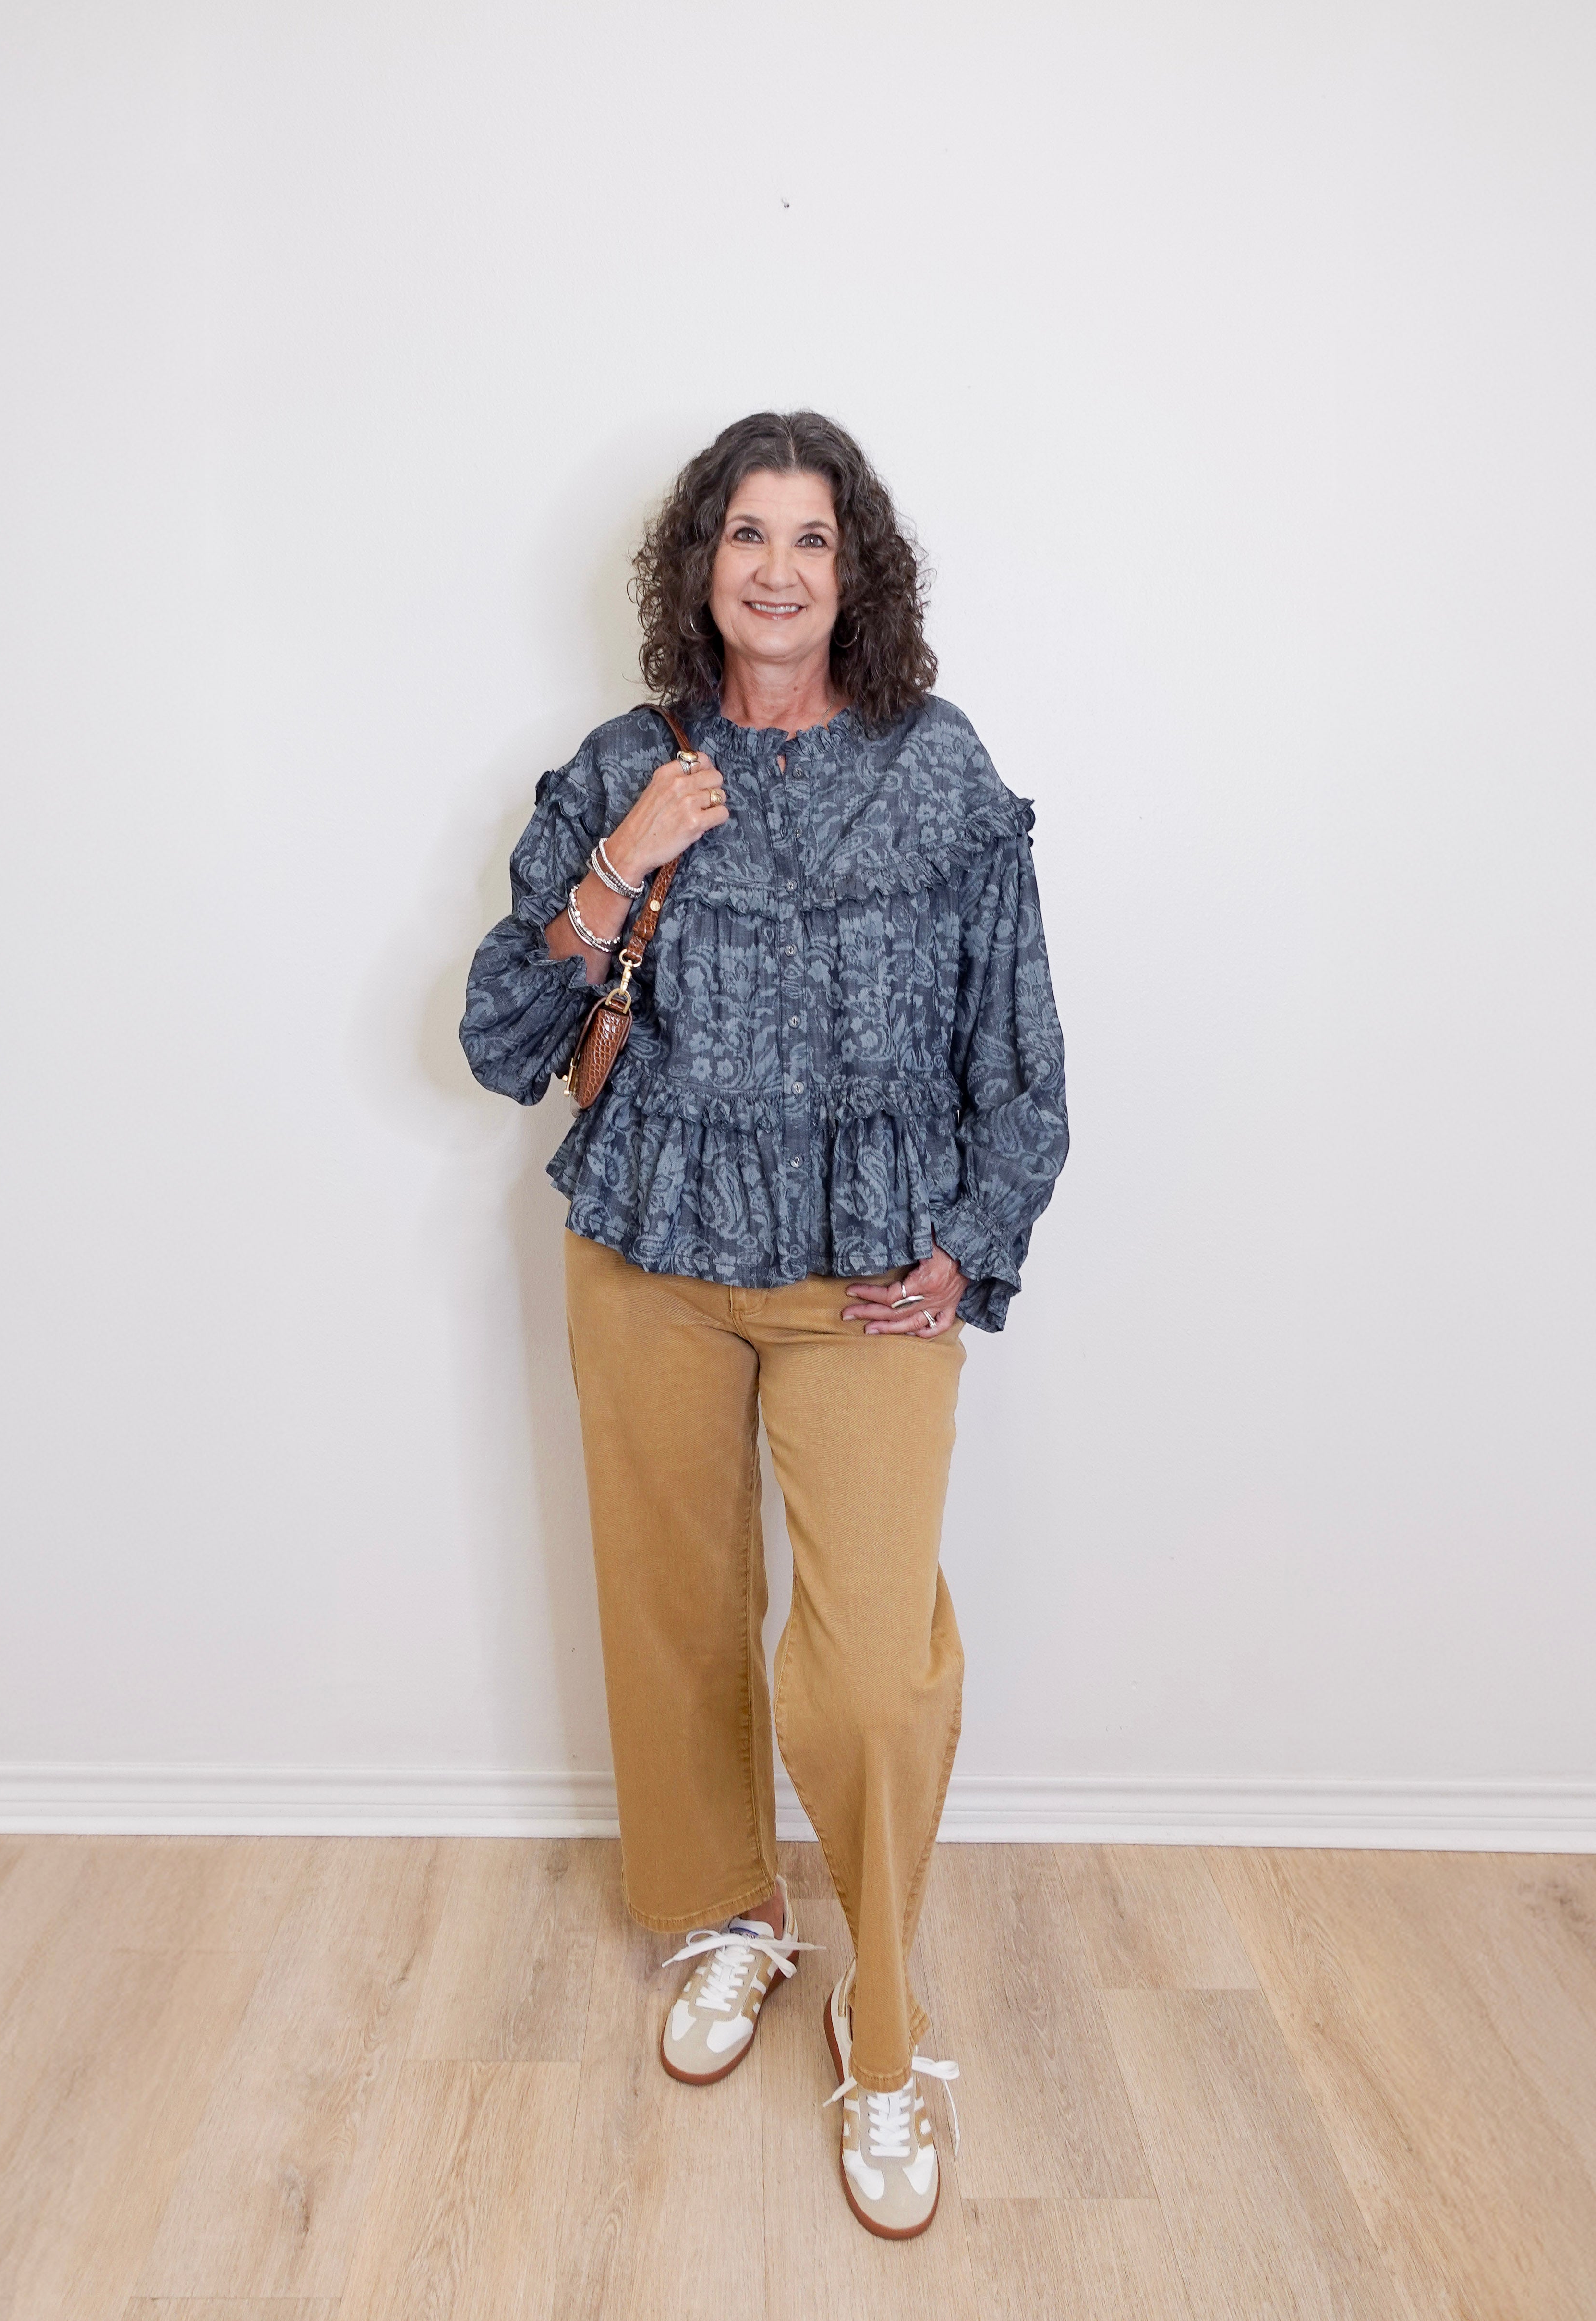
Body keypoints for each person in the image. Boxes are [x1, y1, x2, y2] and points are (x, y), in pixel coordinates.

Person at [460, 410, 1067, 2238]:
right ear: (699, 566)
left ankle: (883, 2027)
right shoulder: (626, 763)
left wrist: (969, 1243)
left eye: (811, 538)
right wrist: (621, 857)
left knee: (873, 1671)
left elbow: (1020, 1055)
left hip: (866, 1283)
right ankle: (730, 1914)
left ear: (854, 569)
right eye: (745, 534)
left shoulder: (939, 771)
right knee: (671, 1612)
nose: (778, 570)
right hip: (649, 1254)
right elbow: (501, 1038)